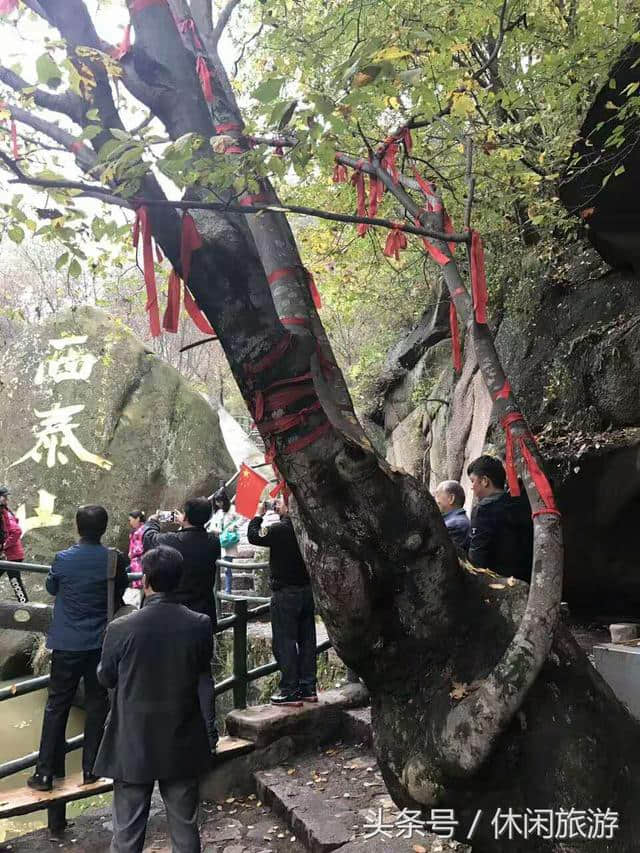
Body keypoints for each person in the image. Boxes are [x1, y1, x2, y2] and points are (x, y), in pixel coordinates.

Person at [94, 545, 212, 853]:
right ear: (178, 579)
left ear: (145, 581)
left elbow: (105, 676)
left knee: (127, 832)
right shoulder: (198, 624)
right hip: (181, 735)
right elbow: (202, 674)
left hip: (133, 738)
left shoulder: (121, 627)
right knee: (185, 827)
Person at [27, 505, 128, 792]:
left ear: (77, 527)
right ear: (104, 528)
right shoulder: (114, 559)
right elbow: (120, 589)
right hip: (99, 643)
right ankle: (91, 769)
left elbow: (51, 588)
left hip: (66, 643)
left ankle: (45, 773)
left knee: (57, 706)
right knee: (97, 705)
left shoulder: (63, 559)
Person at [143, 497, 220, 751]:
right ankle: (209, 733)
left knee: (168, 676)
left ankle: (171, 737)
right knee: (202, 675)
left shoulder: (172, 541)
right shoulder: (212, 541)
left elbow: (149, 540)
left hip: (174, 617)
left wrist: (153, 521)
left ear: (184, 516)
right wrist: (184, 523)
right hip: (203, 616)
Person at [247, 496, 316, 706]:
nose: (277, 505)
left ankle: (290, 689)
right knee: (307, 640)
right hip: (306, 590)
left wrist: (258, 515)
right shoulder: (308, 527)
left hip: (285, 592)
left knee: (285, 642)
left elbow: (253, 537)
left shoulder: (278, 530)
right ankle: (308, 686)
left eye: (282, 502)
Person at [467, 455, 533, 581]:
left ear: (485, 481)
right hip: (526, 577)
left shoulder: (483, 509)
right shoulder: (519, 502)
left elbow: (477, 556)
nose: (472, 487)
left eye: (473, 481)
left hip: (500, 581)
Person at [208, 488, 241, 594]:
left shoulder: (233, 509)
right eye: (217, 502)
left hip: (228, 541)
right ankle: (215, 590)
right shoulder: (217, 512)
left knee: (227, 567)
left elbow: (243, 518)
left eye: (220, 501)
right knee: (216, 567)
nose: (219, 504)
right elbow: (213, 525)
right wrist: (213, 530)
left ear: (224, 500)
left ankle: (228, 590)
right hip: (218, 542)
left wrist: (235, 526)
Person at [0, 485, 29, 604]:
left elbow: (17, 531)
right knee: (15, 581)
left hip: (12, 556)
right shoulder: (4, 511)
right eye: (5, 497)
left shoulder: (4, 513)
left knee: (15, 581)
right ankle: (24, 604)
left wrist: (4, 545)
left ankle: (24, 605)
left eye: (5, 497)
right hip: (9, 556)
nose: (7, 499)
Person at [434, 480, 470, 551]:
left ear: (451, 498)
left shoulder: (456, 525)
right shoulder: (452, 521)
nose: (435, 501)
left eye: (437, 495)